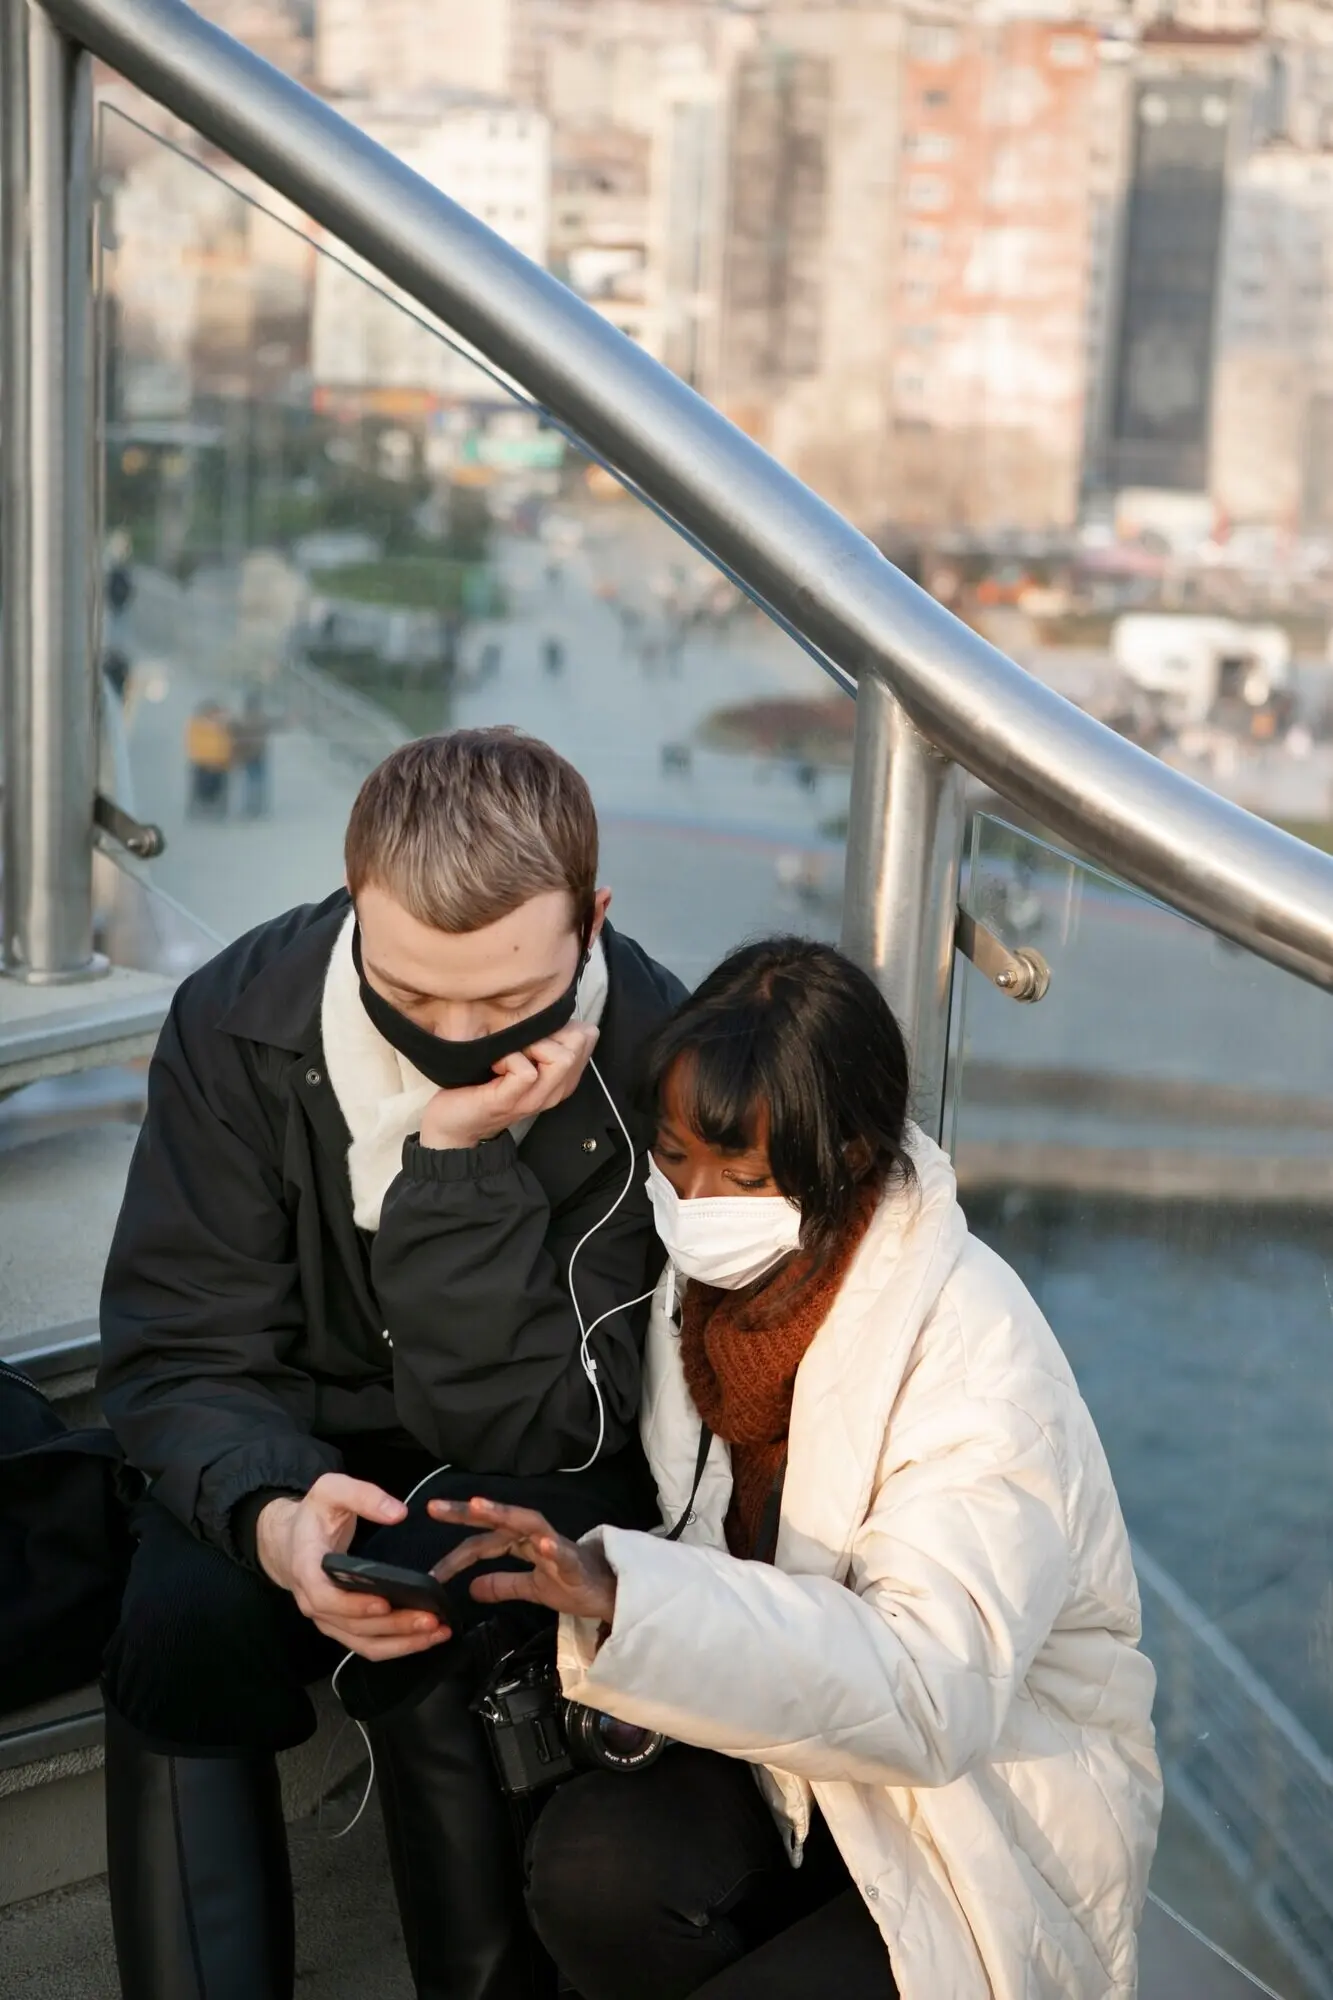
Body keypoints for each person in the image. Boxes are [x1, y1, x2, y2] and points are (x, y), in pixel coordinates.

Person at [431, 938, 1164, 2000]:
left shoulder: (977, 1359)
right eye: (673, 1156)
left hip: (970, 1810)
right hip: (788, 1759)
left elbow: (929, 1694)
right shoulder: (720, 1289)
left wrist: (633, 1597)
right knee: (591, 1873)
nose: (694, 1202)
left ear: (850, 1159)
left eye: (741, 1178)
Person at [97, 728, 685, 2000]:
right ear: (354, 903)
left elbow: (560, 1429)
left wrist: (458, 1166)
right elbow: (181, 1346)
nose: (454, 1040)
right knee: (177, 1621)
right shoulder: (238, 1018)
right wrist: (272, 1518)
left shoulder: (658, 1055)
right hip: (290, 1427)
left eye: (505, 1003)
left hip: (530, 1431)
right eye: (412, 997)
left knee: (453, 1604)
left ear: (591, 921)